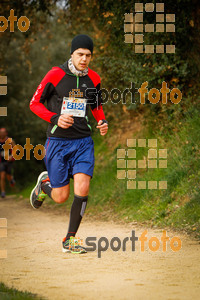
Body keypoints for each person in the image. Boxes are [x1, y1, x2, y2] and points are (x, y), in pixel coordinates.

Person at [29, 34, 108, 254]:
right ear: (72, 54)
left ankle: (69, 239)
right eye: (80, 54)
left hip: (83, 142)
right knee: (60, 196)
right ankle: (45, 183)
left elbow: (96, 106)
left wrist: (102, 121)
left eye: (88, 55)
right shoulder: (55, 74)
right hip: (58, 142)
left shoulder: (94, 78)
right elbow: (34, 104)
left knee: (83, 188)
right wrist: (55, 118)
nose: (84, 59)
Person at [0, 127, 16, 198]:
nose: (2, 134)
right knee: (2, 176)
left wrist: (11, 156)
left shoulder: (10, 140)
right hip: (1, 161)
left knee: (8, 176)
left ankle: (11, 180)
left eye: (3, 132)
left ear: (6, 133)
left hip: (9, 161)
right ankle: (3, 192)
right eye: (1, 132)